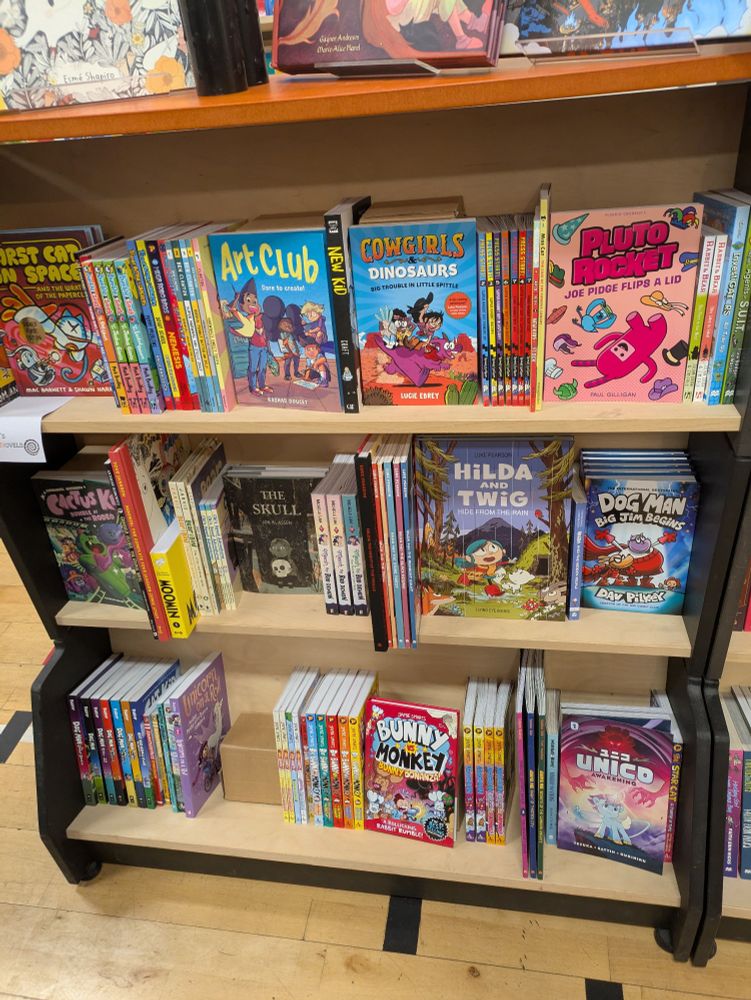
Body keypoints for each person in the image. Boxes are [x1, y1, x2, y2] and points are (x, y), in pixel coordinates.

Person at [224, 279, 272, 396]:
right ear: (242, 305)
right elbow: (232, 308)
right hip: (254, 347)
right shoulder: (245, 318)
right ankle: (253, 387)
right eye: (249, 301)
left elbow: (267, 331)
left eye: (255, 301)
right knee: (253, 368)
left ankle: (262, 385)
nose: (253, 304)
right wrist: (236, 298)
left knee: (262, 368)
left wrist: (268, 347)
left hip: (264, 347)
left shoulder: (262, 316)